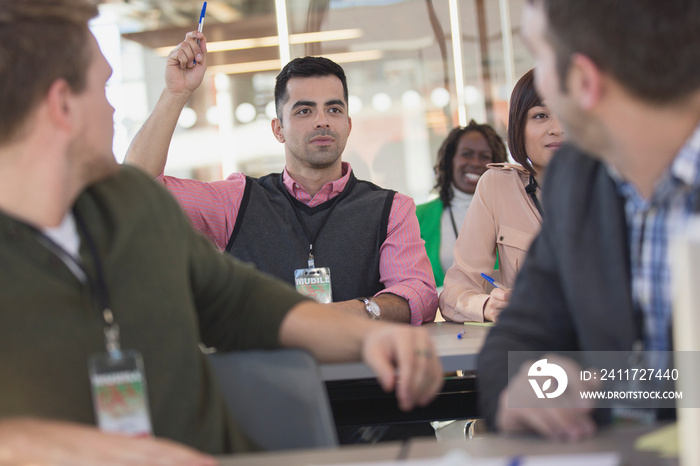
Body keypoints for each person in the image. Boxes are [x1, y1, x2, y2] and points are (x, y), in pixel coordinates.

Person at [0, 1, 445, 463]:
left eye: (333, 109)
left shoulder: (133, 209)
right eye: (105, 88)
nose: (113, 107)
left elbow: (244, 303)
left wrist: (367, 335)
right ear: (61, 105)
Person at [477, 0, 700, 441]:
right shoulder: (578, 179)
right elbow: (516, 340)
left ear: (583, 82)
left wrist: (610, 383)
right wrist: (540, 384)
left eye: (540, 58)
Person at [124, 38, 437, 326]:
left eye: (334, 108)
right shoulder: (238, 200)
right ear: (278, 130)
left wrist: (348, 313)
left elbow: (419, 294)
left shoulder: (391, 209)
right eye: (304, 110)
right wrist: (175, 93)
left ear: (348, 124)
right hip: (268, 381)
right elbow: (138, 188)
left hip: (364, 380)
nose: (322, 120)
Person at [439, 69, 563, 323]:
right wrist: (486, 305)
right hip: (532, 346)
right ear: (519, 128)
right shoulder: (498, 186)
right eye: (540, 115)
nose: (557, 129)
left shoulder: (618, 185)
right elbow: (453, 294)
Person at [416, 120, 508, 288]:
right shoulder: (415, 217)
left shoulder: (512, 216)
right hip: (436, 314)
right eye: (466, 154)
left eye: (484, 157)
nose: (475, 163)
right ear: (449, 160)